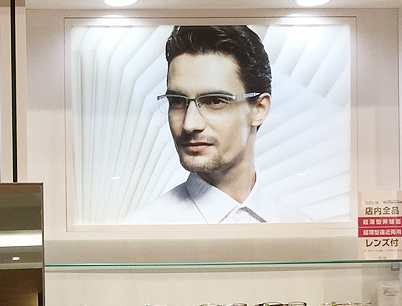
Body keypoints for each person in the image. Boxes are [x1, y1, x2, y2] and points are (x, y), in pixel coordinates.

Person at [122, 25, 310, 224]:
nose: (189, 124)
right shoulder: (140, 231)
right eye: (177, 101)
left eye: (214, 101)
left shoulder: (301, 226)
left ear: (259, 109)